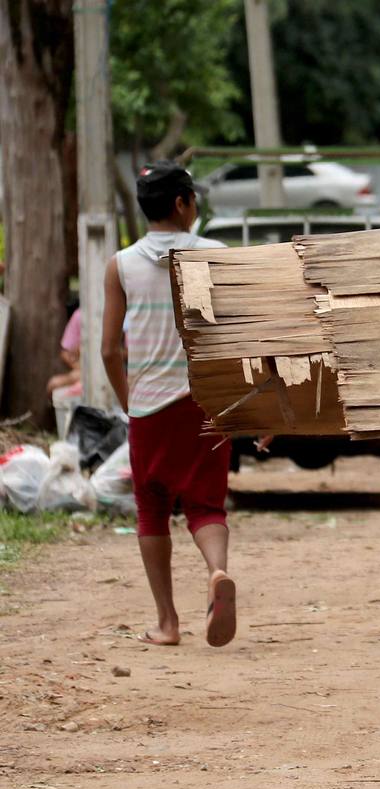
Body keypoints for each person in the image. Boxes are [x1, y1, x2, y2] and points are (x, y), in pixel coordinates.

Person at [101, 161, 236, 648]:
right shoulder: (216, 257)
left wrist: (129, 403)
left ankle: (167, 622)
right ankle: (217, 571)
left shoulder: (122, 265)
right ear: (181, 204)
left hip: (150, 405)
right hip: (205, 402)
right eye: (193, 199)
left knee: (152, 508)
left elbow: (109, 349)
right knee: (206, 505)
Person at [46, 308, 83, 395]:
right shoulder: (79, 315)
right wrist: (79, 368)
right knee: (53, 384)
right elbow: (65, 352)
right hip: (81, 371)